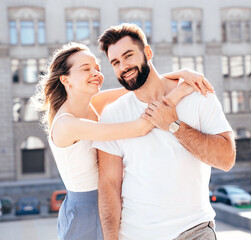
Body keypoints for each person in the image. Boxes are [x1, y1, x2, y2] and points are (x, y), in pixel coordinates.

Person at [32, 42, 213, 240]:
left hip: (111, 200)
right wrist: (180, 90)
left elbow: (143, 85)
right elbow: (140, 127)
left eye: (97, 68)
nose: (96, 73)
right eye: (86, 69)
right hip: (88, 209)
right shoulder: (66, 124)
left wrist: (182, 73)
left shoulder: (93, 103)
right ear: (66, 80)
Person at [93, 23, 236, 240]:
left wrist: (174, 126)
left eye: (128, 55)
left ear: (148, 52)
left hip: (193, 230)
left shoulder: (197, 94)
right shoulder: (113, 115)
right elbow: (109, 185)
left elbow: (226, 159)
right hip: (136, 234)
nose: (123, 66)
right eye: (115, 62)